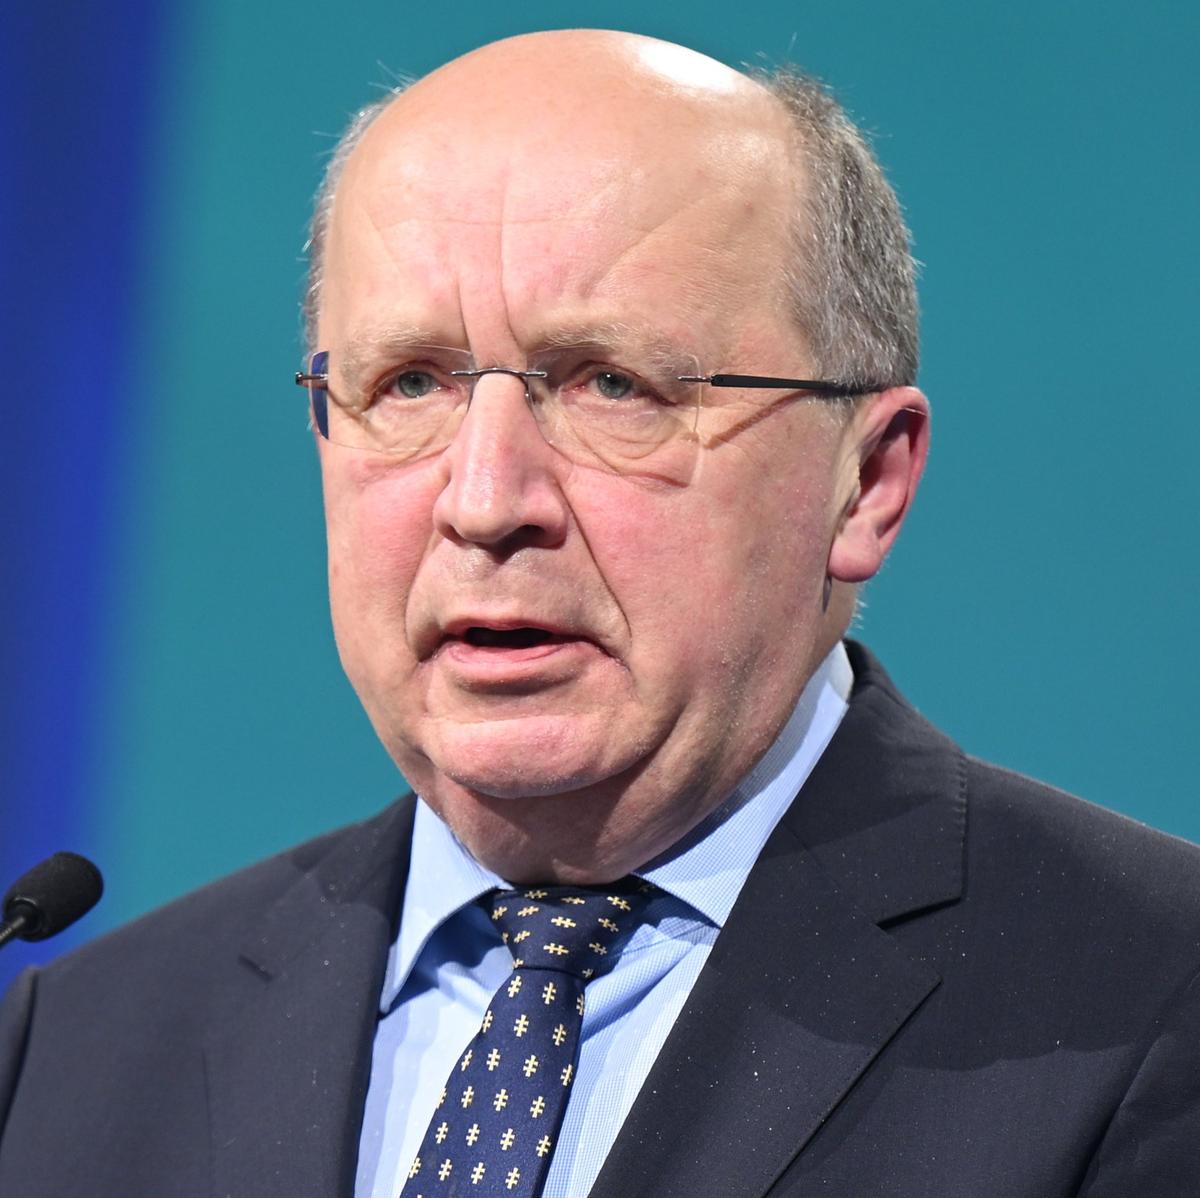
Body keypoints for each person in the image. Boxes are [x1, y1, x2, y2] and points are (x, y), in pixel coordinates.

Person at [2, 28, 1198, 1198]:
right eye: (409, 382)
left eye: (611, 385)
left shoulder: (1152, 1002)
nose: (485, 502)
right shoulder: (73, 1048)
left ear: (866, 481)